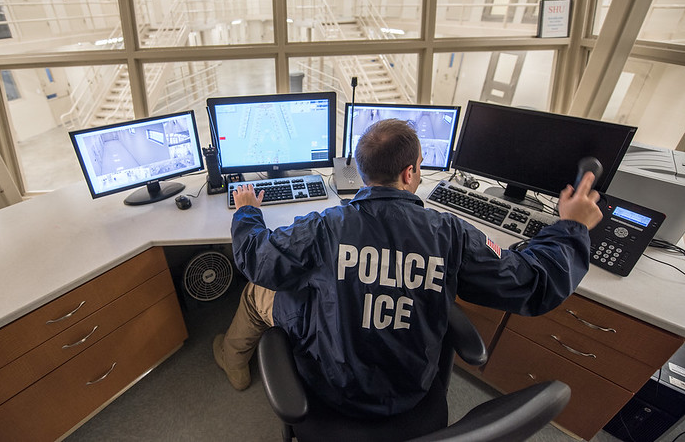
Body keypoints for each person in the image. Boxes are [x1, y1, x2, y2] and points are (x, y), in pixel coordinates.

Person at [213, 118, 602, 417]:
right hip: (412, 392)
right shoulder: (450, 234)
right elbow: (534, 284)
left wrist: (248, 211)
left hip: (332, 387)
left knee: (256, 292)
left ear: (363, 173)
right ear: (410, 173)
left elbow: (254, 258)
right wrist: (571, 228)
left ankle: (232, 359)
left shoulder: (325, 226)